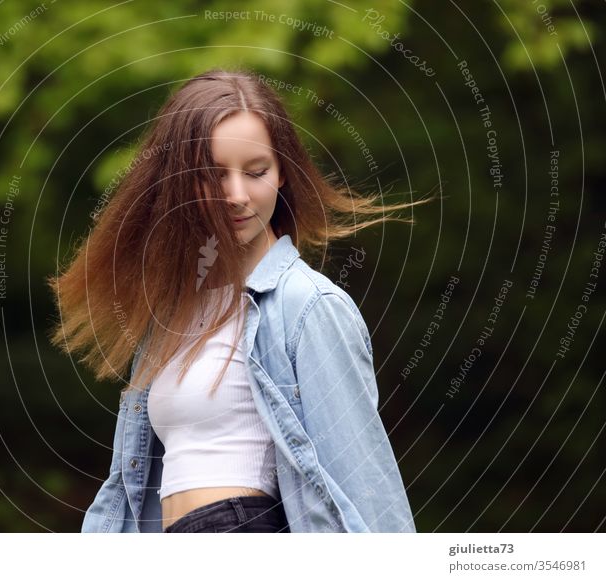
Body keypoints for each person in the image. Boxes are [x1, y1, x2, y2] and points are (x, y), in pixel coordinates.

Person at [49, 67, 431, 533]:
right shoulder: (170, 316)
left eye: (256, 172)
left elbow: (363, 477)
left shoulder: (308, 305)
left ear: (284, 172)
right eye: (213, 175)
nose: (235, 195)